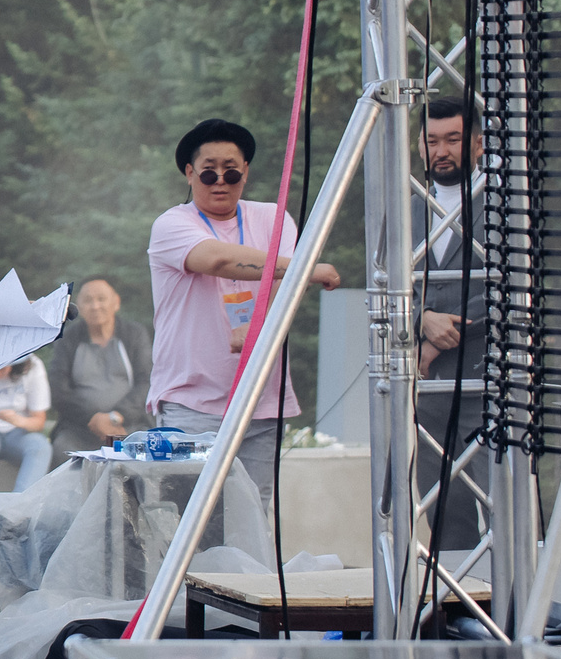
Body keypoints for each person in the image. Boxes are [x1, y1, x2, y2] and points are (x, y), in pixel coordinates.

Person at [146, 118, 340, 495]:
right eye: (208, 172)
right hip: (191, 403)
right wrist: (309, 267)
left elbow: (285, 287)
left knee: (252, 517)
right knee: (190, 519)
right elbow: (217, 260)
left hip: (260, 401)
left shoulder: (273, 217)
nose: (221, 179)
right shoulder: (172, 224)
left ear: (246, 172)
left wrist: (258, 325)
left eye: (231, 171)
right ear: (189, 173)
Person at [413, 95, 491, 556]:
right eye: (432, 141)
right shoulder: (406, 204)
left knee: (498, 495)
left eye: (454, 139)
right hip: (427, 390)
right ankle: (456, 604)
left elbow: (514, 284)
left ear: (478, 144)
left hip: (488, 377)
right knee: (442, 504)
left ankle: (511, 607)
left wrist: (442, 337)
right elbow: (383, 281)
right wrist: (421, 320)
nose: (442, 150)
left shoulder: (504, 202)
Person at [46, 276, 153, 459]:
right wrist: (94, 419)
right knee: (62, 451)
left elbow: (147, 381)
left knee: (144, 457)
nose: (95, 306)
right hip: (79, 428)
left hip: (129, 425)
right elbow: (58, 389)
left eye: (101, 299)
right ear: (79, 306)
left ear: (116, 303)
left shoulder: (134, 335)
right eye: (88, 300)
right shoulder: (68, 338)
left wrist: (116, 416)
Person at [0, 356, 52, 494]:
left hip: (17, 432)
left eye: (3, 368)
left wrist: (18, 420)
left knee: (40, 446)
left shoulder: (33, 365)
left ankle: (18, 508)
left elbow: (39, 421)